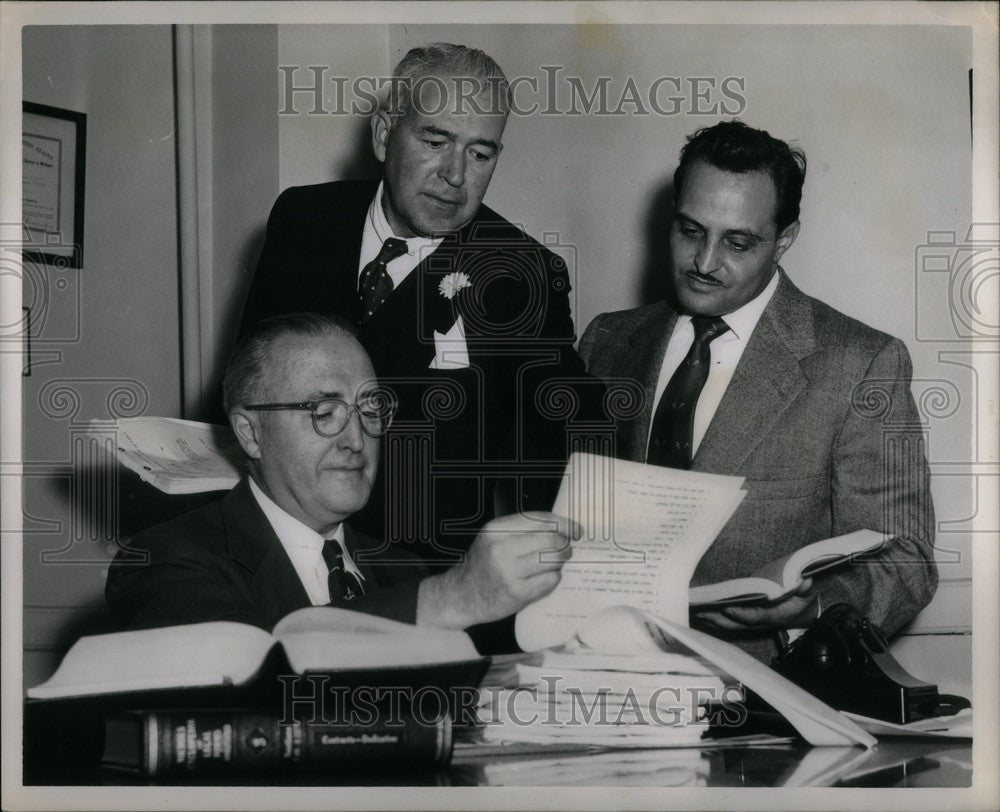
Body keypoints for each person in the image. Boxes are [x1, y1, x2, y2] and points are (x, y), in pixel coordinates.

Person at [579, 120, 937, 662]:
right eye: (690, 230)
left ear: (784, 240)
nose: (703, 262)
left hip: (756, 706)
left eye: (738, 242)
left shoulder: (861, 364)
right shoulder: (606, 341)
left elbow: (906, 558)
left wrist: (813, 606)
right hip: (594, 673)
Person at [239, 43, 598, 581]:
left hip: (427, 584)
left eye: (481, 153)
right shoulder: (302, 218)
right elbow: (246, 378)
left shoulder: (523, 277)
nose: (456, 175)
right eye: (435, 140)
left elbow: (564, 461)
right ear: (384, 134)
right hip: (277, 560)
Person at [106, 313, 576, 638]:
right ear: (250, 433)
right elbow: (250, 678)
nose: (356, 438)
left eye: (370, 407)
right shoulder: (163, 559)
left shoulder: (403, 570)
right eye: (324, 411)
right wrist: (451, 599)